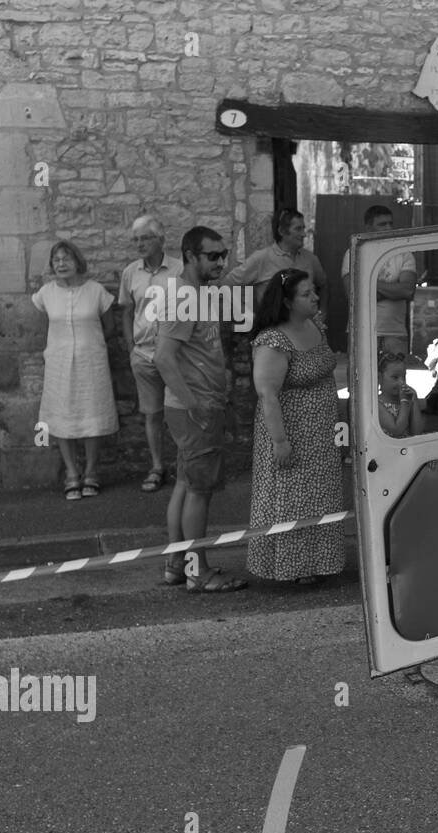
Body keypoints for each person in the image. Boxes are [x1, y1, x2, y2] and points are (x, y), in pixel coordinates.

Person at [154, 226, 246, 592]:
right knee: (199, 492)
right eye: (213, 255)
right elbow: (163, 357)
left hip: (194, 405)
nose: (220, 261)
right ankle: (198, 571)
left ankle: (177, 565)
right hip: (195, 407)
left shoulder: (196, 292)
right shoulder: (183, 297)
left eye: (223, 254)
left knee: (185, 484)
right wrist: (195, 405)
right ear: (190, 256)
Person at [247, 268, 345, 584]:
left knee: (320, 497)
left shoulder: (316, 326)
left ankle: (319, 563)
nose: (315, 297)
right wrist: (280, 441)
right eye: (306, 294)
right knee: (292, 500)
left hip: (321, 435)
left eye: (314, 291)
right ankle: (293, 567)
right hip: (292, 435)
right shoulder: (273, 340)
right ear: (288, 302)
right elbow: (267, 394)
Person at [32, 240, 119, 500]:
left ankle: (91, 472)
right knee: (60, 416)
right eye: (56, 260)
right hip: (58, 365)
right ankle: (71, 473)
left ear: (78, 262)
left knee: (92, 413)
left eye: (66, 259)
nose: (61, 264)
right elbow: (44, 327)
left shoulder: (96, 291)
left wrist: (87, 345)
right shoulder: (45, 294)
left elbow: (111, 328)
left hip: (91, 363)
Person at [118, 215, 181, 493]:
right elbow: (127, 311)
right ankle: (157, 467)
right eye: (136, 239)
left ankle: (185, 466)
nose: (139, 243)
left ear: (161, 239)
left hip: (176, 356)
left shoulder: (180, 270)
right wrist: (131, 347)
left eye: (145, 238)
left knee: (179, 412)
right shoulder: (131, 272)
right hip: (143, 356)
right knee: (152, 414)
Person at [221, 208, 327, 321]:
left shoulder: (310, 259)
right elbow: (225, 285)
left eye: (303, 228)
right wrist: (247, 315)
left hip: (306, 332)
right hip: (273, 332)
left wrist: (322, 312)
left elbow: (324, 285)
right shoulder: (261, 258)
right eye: (298, 229)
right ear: (281, 231)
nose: (304, 234)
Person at [341, 204, 417, 355]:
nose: (388, 228)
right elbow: (354, 296)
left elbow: (407, 290)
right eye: (382, 224)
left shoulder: (404, 254)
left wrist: (368, 283)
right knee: (359, 379)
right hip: (362, 332)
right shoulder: (355, 254)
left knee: (396, 377)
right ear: (368, 228)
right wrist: (394, 289)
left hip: (394, 332)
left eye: (390, 223)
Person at [376, 350, 425, 438]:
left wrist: (414, 401)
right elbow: (396, 430)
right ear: (379, 378)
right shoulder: (377, 404)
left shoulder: (406, 400)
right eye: (395, 377)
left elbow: (417, 433)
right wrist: (405, 403)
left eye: (404, 377)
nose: (402, 382)